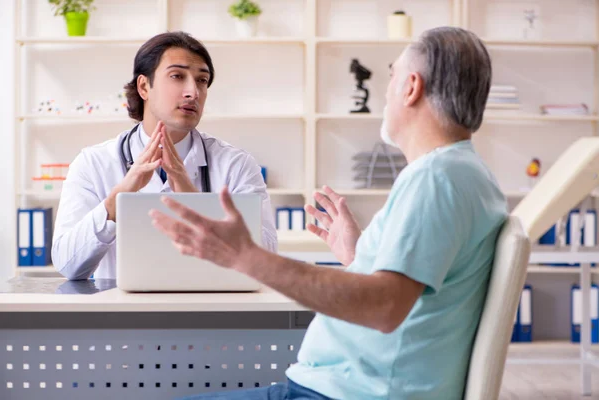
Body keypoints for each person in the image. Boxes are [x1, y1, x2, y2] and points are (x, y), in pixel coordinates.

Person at [150, 26, 508, 400]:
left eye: (391, 76)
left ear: (411, 87)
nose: (387, 92)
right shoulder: (469, 174)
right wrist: (357, 256)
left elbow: (385, 306)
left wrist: (244, 256)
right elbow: (414, 294)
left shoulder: (436, 178)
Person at [52, 31, 277, 280]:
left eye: (202, 80)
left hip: (209, 313)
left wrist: (192, 199)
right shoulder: (93, 163)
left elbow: (264, 260)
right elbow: (67, 264)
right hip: (122, 315)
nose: (193, 92)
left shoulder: (237, 165)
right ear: (144, 86)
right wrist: (117, 199)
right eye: (177, 76)